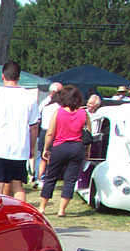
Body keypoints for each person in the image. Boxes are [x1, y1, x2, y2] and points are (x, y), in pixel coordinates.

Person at [0, 61, 39, 201]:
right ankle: (20, 214)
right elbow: (34, 126)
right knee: (18, 185)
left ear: (3, 76)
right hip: (19, 147)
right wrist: (31, 147)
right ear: (18, 77)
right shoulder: (29, 97)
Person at [39, 85, 90, 218]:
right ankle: (61, 210)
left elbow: (50, 133)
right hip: (77, 147)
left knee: (51, 177)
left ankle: (42, 207)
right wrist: (87, 151)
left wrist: (46, 148)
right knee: (70, 179)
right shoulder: (84, 113)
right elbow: (89, 135)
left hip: (60, 146)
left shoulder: (59, 112)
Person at [34, 81, 62, 185]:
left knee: (42, 157)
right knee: (51, 158)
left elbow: (38, 118)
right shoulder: (58, 108)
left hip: (43, 131)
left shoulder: (45, 105)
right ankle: (48, 178)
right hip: (52, 132)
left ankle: (39, 178)